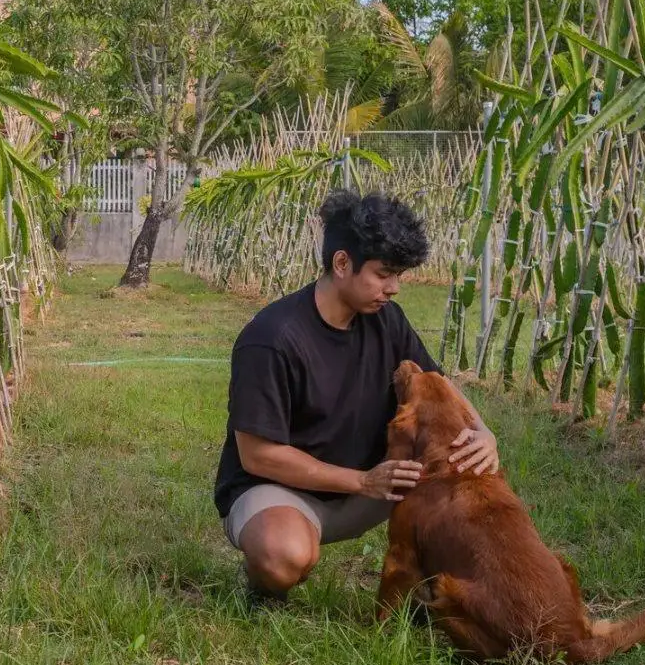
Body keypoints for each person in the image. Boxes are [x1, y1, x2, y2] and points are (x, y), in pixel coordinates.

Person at [213, 190, 500, 605]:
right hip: (280, 489)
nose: (394, 288)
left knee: (466, 466)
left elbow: (437, 383)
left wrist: (483, 432)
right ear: (342, 263)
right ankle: (264, 589)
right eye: (384, 274)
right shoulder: (271, 340)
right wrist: (363, 481)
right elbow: (260, 456)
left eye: (399, 275)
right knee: (284, 556)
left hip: (371, 487)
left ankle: (432, 590)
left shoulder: (386, 320)